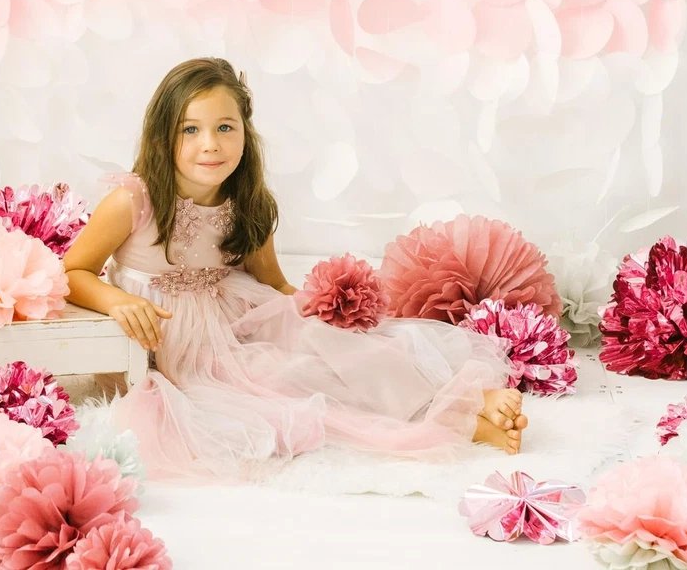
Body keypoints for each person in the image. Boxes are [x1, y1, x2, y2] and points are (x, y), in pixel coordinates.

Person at [62, 58, 527, 483]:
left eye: (225, 127)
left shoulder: (247, 203)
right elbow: (73, 272)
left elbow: (273, 284)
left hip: (234, 317)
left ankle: (460, 400)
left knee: (334, 352)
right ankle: (457, 424)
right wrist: (117, 301)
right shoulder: (133, 201)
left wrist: (318, 318)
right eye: (190, 129)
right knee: (282, 385)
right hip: (166, 342)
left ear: (245, 133)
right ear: (162, 136)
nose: (210, 144)